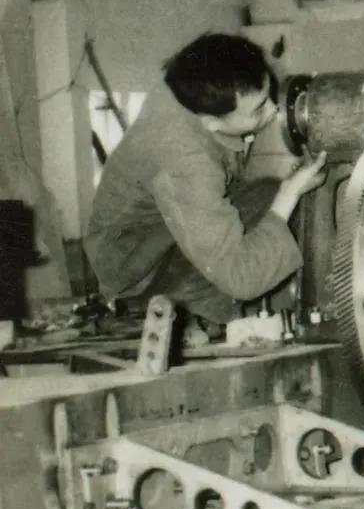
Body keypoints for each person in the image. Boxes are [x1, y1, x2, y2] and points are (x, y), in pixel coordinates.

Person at [85, 33, 326, 324]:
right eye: (259, 109)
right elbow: (241, 277)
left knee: (269, 194)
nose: (275, 110)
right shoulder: (185, 161)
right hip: (137, 270)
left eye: (270, 95)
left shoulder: (200, 81)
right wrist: (289, 194)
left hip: (162, 230)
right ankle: (190, 312)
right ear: (212, 123)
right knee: (280, 205)